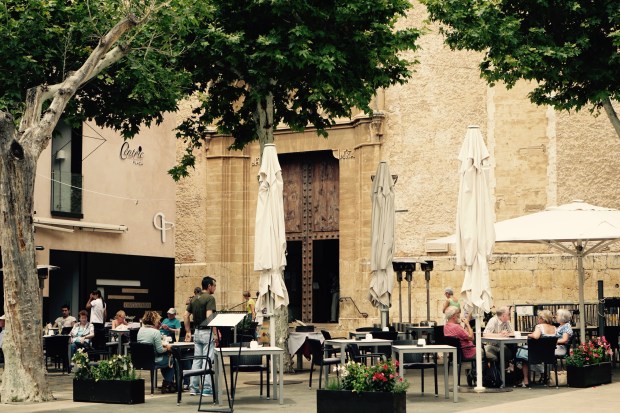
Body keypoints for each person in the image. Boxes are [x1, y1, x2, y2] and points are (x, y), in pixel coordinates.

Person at [184, 276, 217, 396]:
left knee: (197, 360)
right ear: (209, 286)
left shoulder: (194, 299)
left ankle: (193, 388)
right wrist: (215, 332)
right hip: (207, 332)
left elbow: (185, 315)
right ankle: (207, 388)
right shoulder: (210, 298)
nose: (215, 288)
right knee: (207, 360)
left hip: (196, 332)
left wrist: (188, 331)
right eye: (214, 286)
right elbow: (209, 316)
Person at [515, 309, 557, 387]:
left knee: (523, 354)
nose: (538, 319)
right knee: (528, 353)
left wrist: (529, 335)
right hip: (549, 355)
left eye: (539, 318)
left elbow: (536, 336)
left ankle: (526, 379)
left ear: (542, 319)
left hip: (537, 354)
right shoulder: (554, 328)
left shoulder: (539, 326)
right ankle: (543, 375)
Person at [137, 310, 175, 393]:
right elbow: (160, 350)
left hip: (142, 360)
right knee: (172, 360)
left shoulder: (140, 330)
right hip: (154, 360)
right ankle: (168, 383)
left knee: (166, 361)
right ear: (154, 320)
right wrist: (168, 348)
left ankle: (169, 384)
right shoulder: (156, 332)